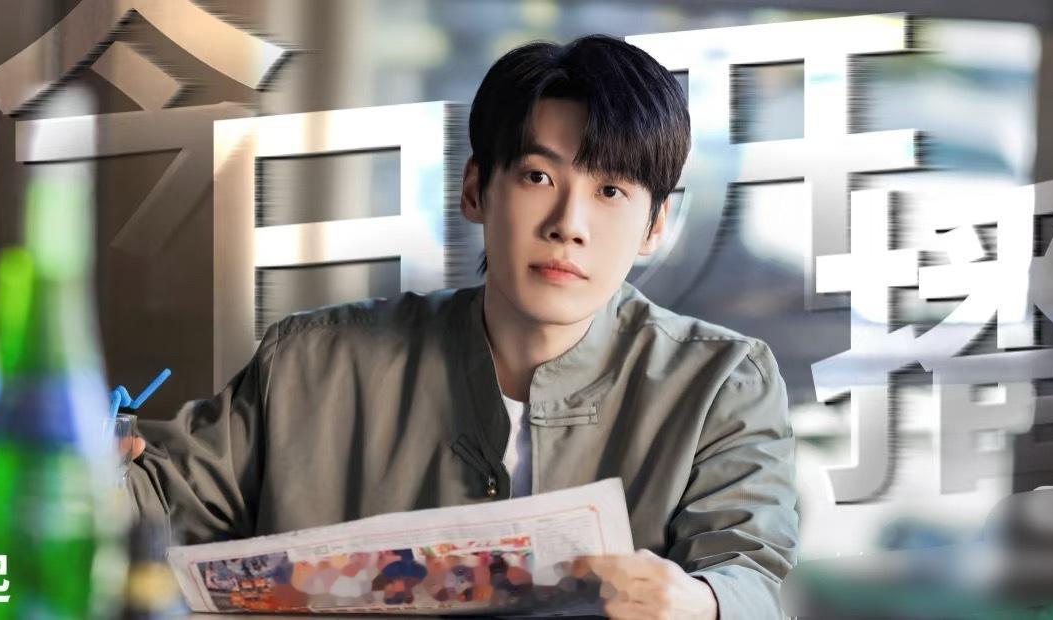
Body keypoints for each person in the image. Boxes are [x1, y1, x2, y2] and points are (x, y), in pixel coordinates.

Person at [126, 34, 798, 619]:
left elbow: (747, 576)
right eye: (538, 176)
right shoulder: (312, 364)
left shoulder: (721, 384)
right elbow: (149, 509)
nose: (569, 224)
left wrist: (699, 603)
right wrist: (89, 465)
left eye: (611, 191)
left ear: (656, 225)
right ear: (476, 189)